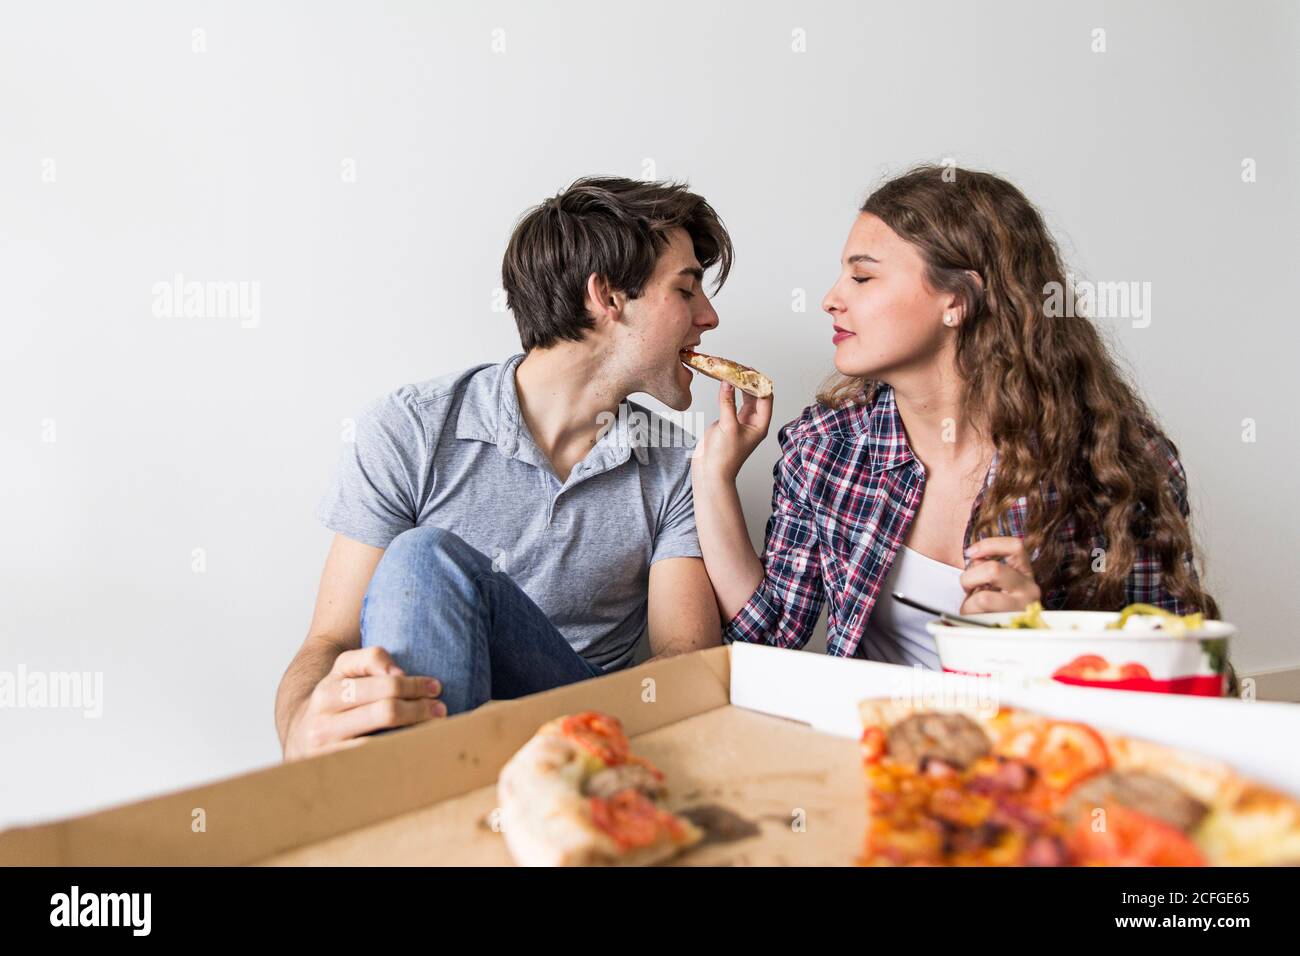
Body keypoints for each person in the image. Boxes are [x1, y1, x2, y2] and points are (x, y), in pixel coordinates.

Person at [691, 165, 1218, 670]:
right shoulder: (826, 446)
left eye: (862, 277)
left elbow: (1168, 675)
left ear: (957, 300)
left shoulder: (1117, 463)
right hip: (876, 748)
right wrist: (714, 477)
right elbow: (769, 636)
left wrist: (1038, 641)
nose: (831, 299)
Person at [275, 177, 732, 759]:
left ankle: (420, 798)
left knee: (422, 554)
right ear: (609, 297)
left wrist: (513, 731)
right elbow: (330, 640)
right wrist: (300, 727)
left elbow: (685, 666)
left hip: (588, 734)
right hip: (436, 721)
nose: (709, 317)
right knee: (424, 557)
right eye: (687, 290)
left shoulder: (679, 463)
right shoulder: (412, 428)